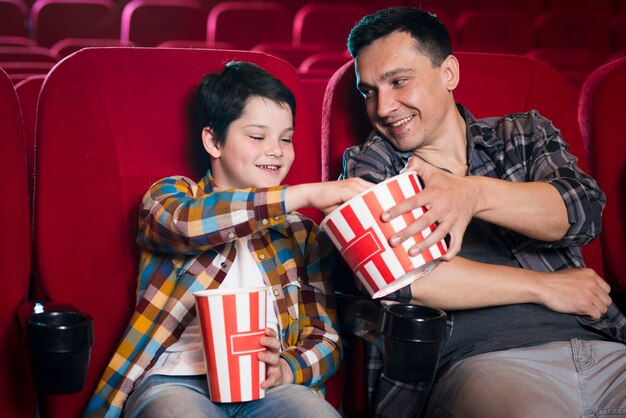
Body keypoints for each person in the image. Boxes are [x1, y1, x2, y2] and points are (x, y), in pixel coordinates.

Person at [340, 7, 626, 418]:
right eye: (368, 91)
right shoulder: (372, 165)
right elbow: (398, 279)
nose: (383, 107)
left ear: (448, 73)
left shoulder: (523, 133)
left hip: (602, 347)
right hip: (483, 363)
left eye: (399, 81)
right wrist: (544, 287)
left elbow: (582, 209)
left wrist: (473, 193)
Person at [84, 61, 371, 418]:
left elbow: (325, 337)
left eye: (286, 138)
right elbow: (185, 225)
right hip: (175, 381)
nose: (277, 151)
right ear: (213, 141)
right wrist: (301, 194)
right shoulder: (172, 196)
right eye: (257, 136)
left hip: (269, 387)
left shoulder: (302, 234)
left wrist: (286, 368)